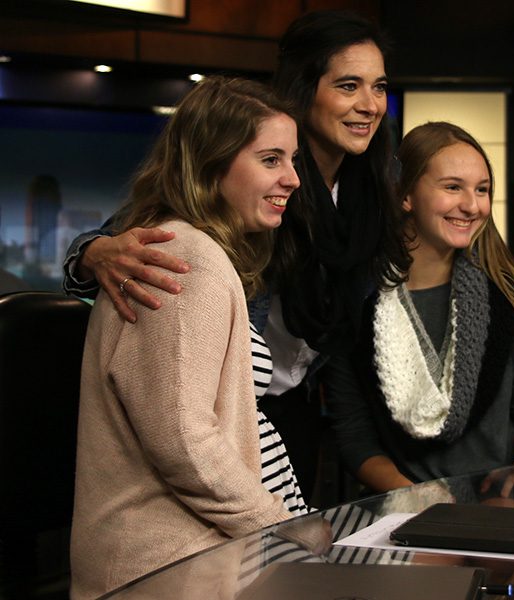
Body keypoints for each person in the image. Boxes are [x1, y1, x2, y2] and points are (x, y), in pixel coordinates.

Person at [60, 10, 410, 494]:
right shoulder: (253, 174)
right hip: (227, 402)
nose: (370, 105)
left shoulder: (376, 179)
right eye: (348, 86)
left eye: (379, 86)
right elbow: (130, 233)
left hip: (299, 398)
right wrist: (93, 253)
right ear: (305, 90)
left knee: (289, 552)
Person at [70, 76, 309, 599]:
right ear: (210, 163)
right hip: (171, 569)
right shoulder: (185, 258)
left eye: (292, 160)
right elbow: (184, 439)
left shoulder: (196, 250)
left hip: (199, 557)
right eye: (271, 159)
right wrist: (279, 528)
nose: (292, 178)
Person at [323, 122, 514, 506]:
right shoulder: (356, 301)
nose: (472, 206)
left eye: (481, 189)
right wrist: (414, 497)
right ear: (406, 196)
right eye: (453, 187)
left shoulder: (511, 298)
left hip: (497, 507)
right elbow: (354, 434)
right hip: (401, 513)